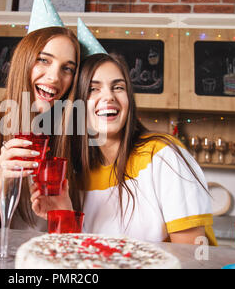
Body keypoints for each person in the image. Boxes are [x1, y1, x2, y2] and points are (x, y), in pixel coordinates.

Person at [31, 52, 217, 245]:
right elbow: (81, 259)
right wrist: (65, 213)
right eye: (93, 89)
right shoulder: (74, 174)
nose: (109, 97)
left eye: (118, 87)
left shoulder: (163, 154)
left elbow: (191, 258)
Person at [0, 26, 80, 230]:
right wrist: (2, 174)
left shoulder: (67, 134)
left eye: (67, 68)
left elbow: (64, 235)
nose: (54, 77)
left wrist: (64, 213)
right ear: (23, 62)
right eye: (44, 60)